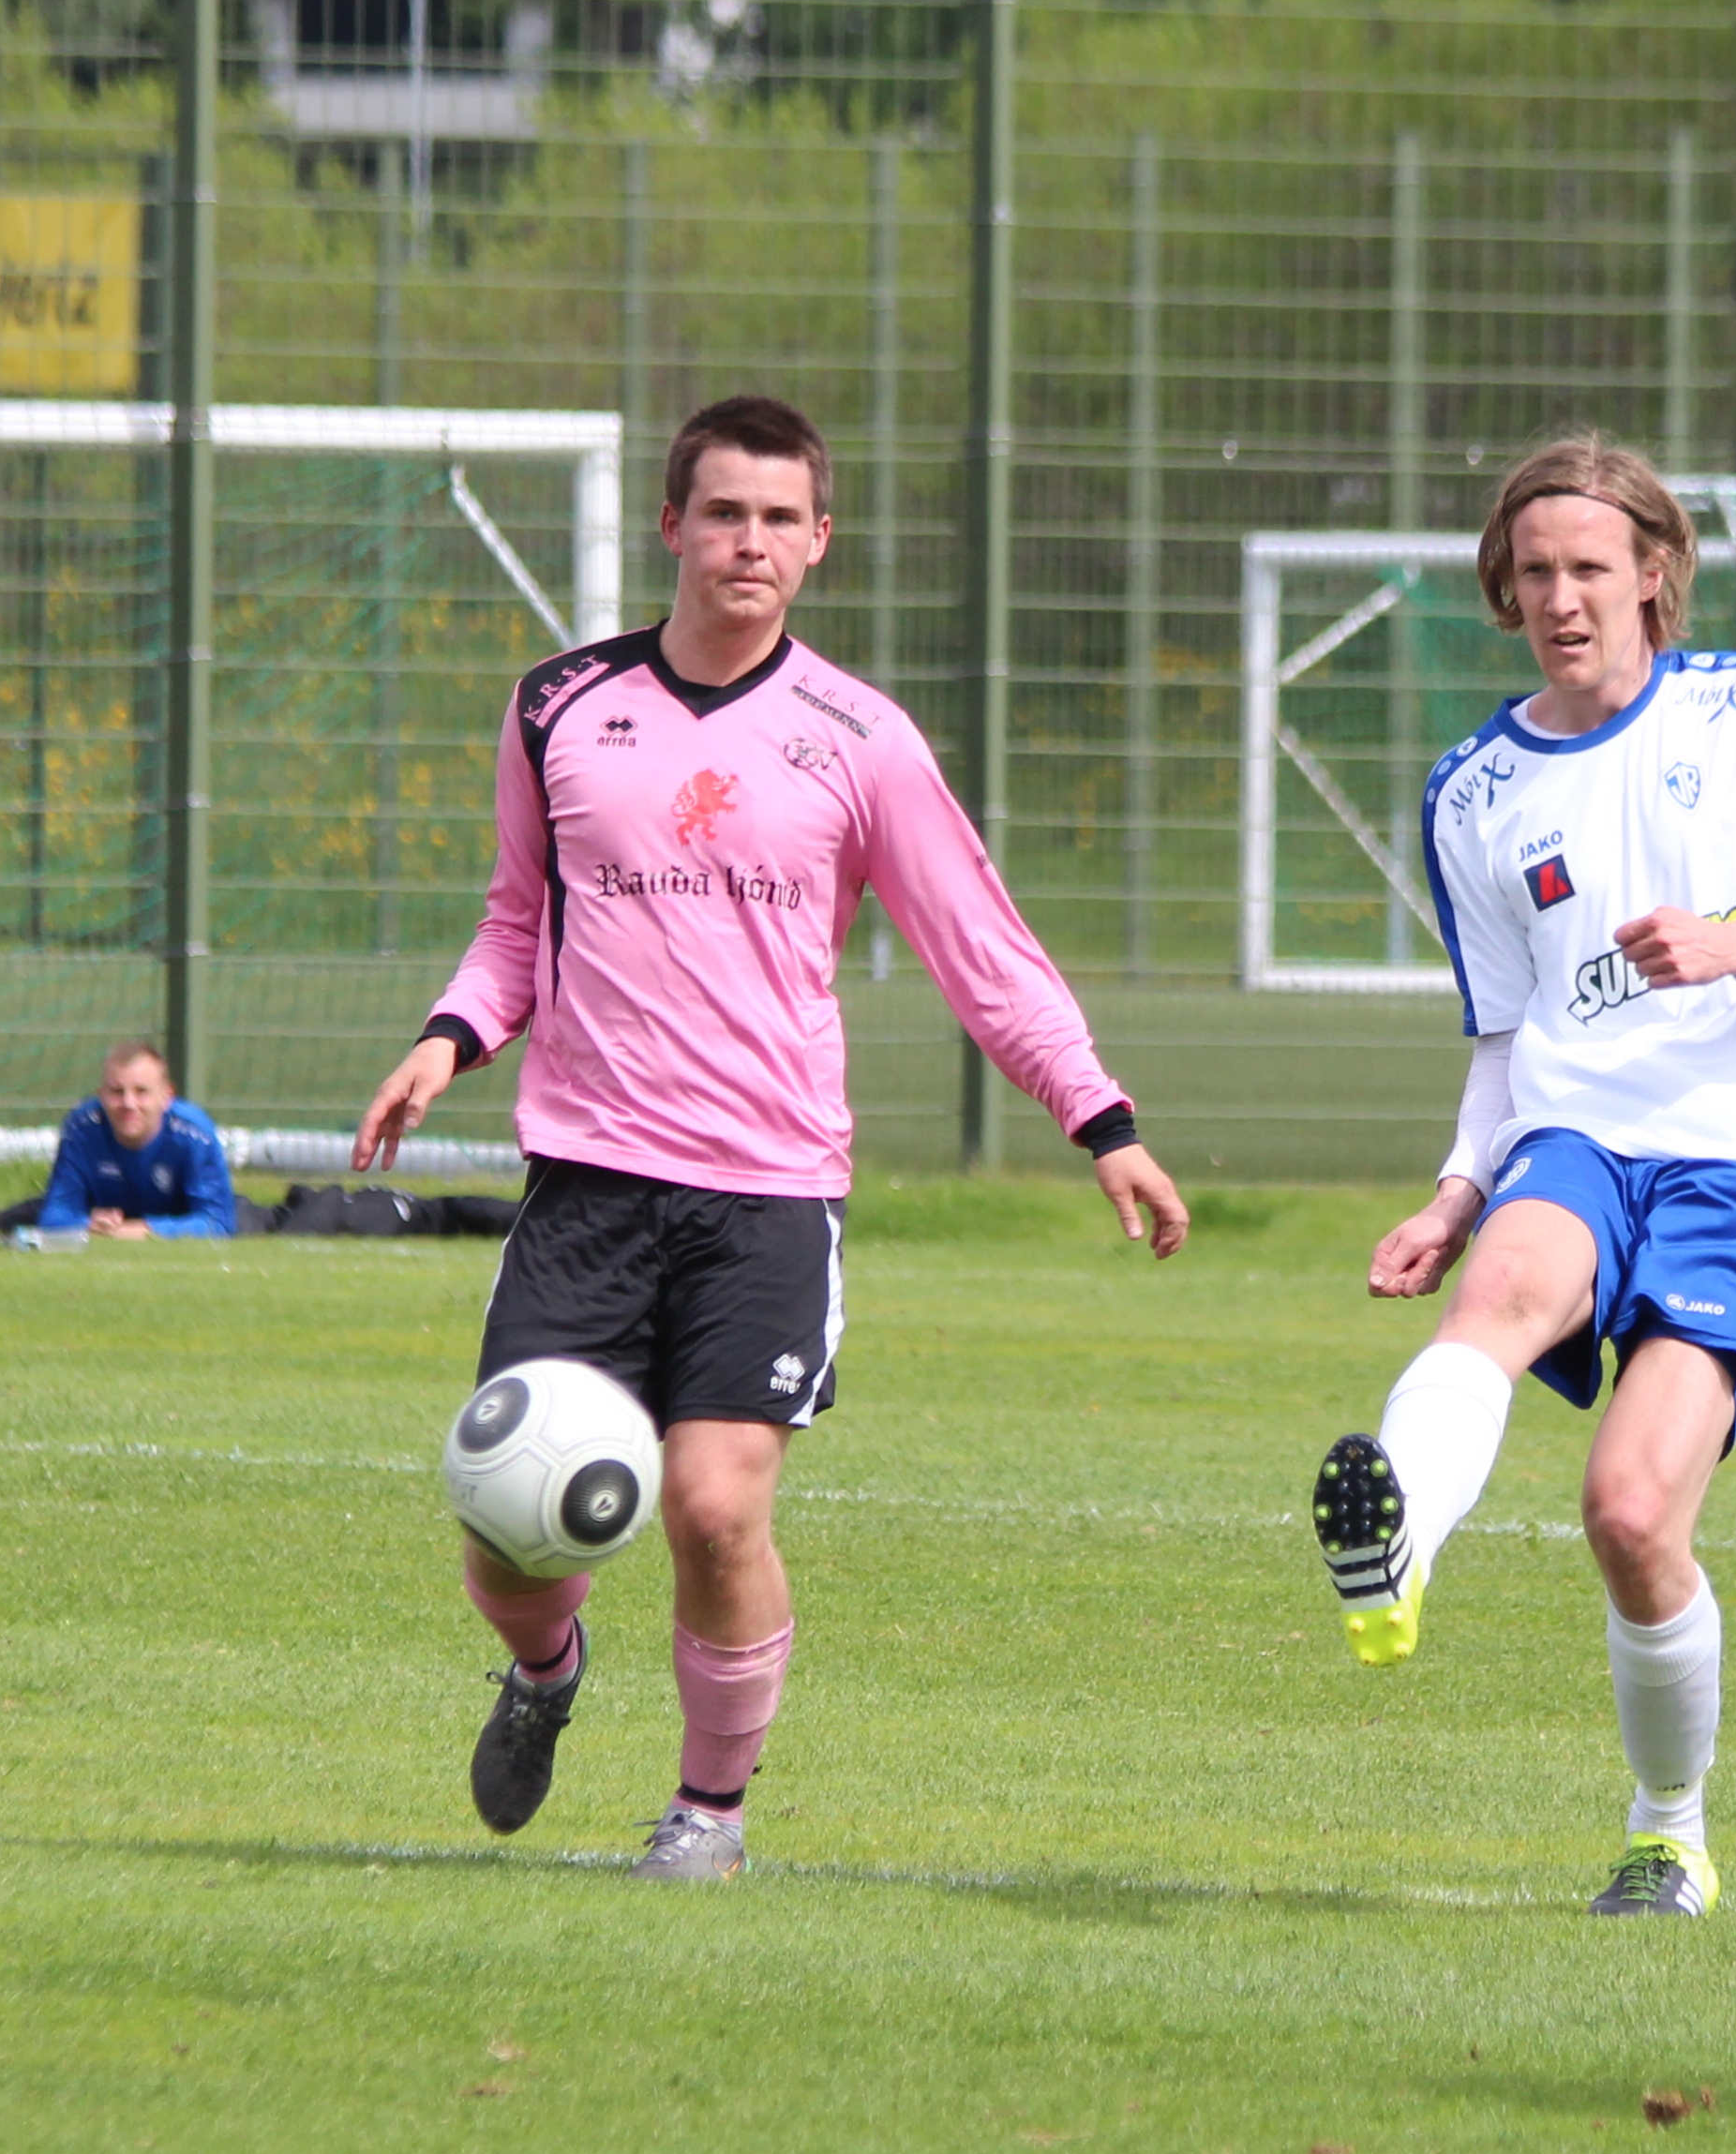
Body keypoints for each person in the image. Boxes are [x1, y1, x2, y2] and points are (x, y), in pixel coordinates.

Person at [355, 394, 1191, 1881]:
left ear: (819, 543)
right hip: (586, 1184)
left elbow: (981, 953)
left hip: (765, 1197)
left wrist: (1099, 1119)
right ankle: (545, 1672)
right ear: (671, 525)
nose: (749, 542)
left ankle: (708, 1816)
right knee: (507, 1540)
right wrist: (447, 1039)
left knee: (713, 1508)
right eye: (723, 513)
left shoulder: (860, 740)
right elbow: (514, 925)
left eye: (778, 520)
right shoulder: (557, 706)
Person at [1306, 434, 1736, 1920]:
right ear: (1501, 591)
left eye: (1587, 566)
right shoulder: (1471, 792)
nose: (1560, 598)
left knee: (1632, 1516)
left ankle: (1666, 1830)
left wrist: (1735, 944)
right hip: (1572, 1136)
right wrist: (1455, 1192)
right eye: (1532, 572)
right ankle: (1395, 1550)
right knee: (1500, 1293)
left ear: (1653, 572)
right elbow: (1503, 1042)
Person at [0, 1040, 239, 1240]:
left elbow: (218, 1222)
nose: (128, 1104)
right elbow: (55, 1215)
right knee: (8, 1222)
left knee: (252, 1220)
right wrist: (88, 1224)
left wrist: (145, 1229)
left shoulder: (194, 1133)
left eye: (141, 1092)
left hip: (179, 1214)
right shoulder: (83, 1127)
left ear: (167, 1096)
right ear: (101, 1094)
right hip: (102, 1218)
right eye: (117, 1092)